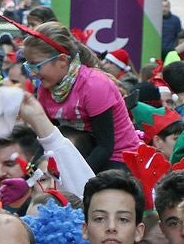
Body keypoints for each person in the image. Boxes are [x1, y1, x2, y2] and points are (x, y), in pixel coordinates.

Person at [20, 23, 139, 169]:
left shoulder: (94, 85)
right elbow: (47, 138)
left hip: (118, 155)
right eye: (29, 66)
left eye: (37, 66)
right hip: (80, 152)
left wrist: (77, 178)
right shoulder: (45, 88)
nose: (32, 73)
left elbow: (105, 146)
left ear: (62, 61)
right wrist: (31, 170)